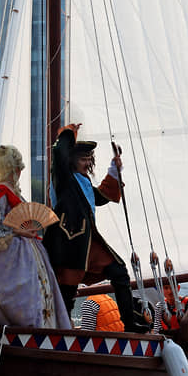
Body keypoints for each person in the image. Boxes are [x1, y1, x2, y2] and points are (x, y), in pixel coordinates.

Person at [42, 124, 148, 332]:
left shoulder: (82, 181)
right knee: (67, 291)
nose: (88, 162)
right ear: (71, 160)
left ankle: (129, 323)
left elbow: (100, 196)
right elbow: (58, 152)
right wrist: (67, 133)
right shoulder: (63, 179)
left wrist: (113, 169)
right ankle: (60, 331)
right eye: (83, 159)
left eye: (90, 159)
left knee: (119, 272)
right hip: (67, 246)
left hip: (88, 245)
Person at [0, 145, 72, 329]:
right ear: (15, 170)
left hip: (28, 250)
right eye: (19, 170)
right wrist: (18, 231)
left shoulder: (13, 193)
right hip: (12, 253)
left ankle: (43, 325)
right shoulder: (1, 193)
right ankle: (25, 326)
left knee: (37, 286)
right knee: (19, 288)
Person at [80, 294, 154, 332]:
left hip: (105, 346)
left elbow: (86, 333)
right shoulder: (108, 297)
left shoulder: (89, 303)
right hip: (120, 340)